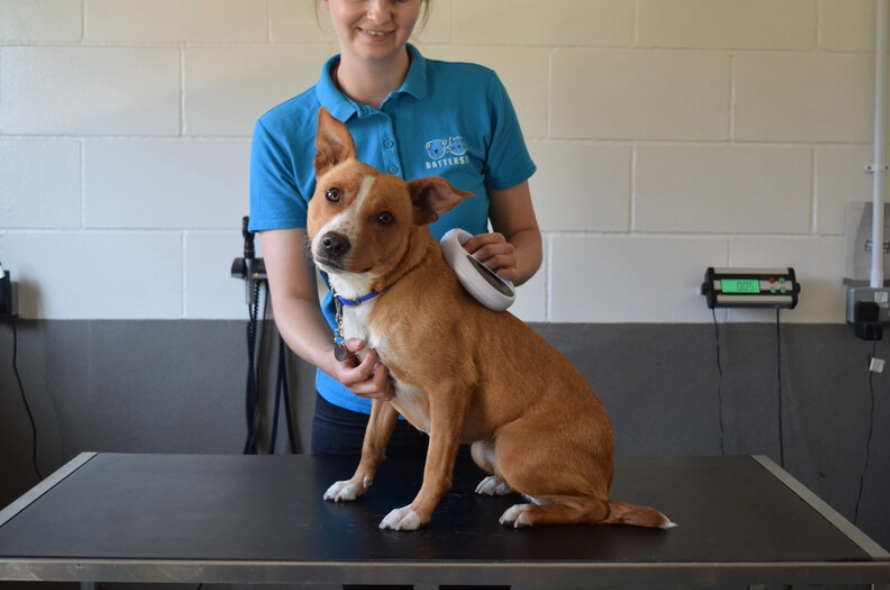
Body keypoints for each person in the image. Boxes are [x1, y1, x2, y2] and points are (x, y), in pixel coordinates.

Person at [250, 1, 540, 588]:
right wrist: (342, 364)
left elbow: (526, 240)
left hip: (476, 416)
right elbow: (292, 299)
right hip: (355, 407)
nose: (379, 9)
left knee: (479, 575)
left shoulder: (477, 93)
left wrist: (516, 260)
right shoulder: (283, 130)